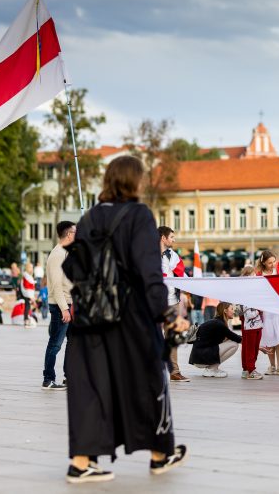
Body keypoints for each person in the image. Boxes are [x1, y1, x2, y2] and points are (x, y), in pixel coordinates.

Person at [63, 155, 189, 483]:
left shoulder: (89, 217)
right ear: (134, 181)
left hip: (91, 315)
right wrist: (166, 313)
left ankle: (81, 461)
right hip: (130, 315)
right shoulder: (139, 215)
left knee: (91, 385)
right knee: (147, 378)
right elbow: (148, 270)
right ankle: (160, 454)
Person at [43, 220, 76, 391]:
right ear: (69, 234)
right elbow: (56, 286)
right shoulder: (57, 255)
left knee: (72, 342)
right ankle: (48, 379)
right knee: (55, 343)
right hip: (59, 306)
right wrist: (64, 308)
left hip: (70, 303)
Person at [159, 226, 189, 382]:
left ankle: (174, 371)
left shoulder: (174, 256)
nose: (174, 239)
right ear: (163, 238)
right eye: (171, 236)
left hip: (172, 302)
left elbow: (182, 274)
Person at [257, 250, 279, 376]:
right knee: (269, 337)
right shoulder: (259, 274)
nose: (273, 264)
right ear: (264, 263)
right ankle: (271, 366)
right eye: (269, 263)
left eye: (274, 261)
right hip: (267, 309)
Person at [189, 301, 241, 377]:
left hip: (199, 356)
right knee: (234, 345)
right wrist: (257, 346)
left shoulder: (217, 322)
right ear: (225, 311)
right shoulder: (219, 324)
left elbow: (233, 337)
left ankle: (212, 368)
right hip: (201, 357)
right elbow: (237, 339)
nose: (234, 311)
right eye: (232, 309)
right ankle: (211, 369)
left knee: (232, 341)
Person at [238, 266, 264, 380]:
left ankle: (246, 369)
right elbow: (248, 314)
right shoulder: (246, 294)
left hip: (254, 325)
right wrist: (259, 309)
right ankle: (251, 370)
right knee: (251, 349)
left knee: (249, 347)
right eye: (252, 275)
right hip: (251, 325)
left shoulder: (247, 293)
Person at [20, 263, 37, 328]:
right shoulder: (26, 275)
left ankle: (27, 320)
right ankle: (26, 321)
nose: (32, 269)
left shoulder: (28, 275)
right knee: (27, 307)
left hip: (29, 294)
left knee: (28, 307)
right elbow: (27, 286)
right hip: (28, 294)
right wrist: (31, 296)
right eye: (31, 267)